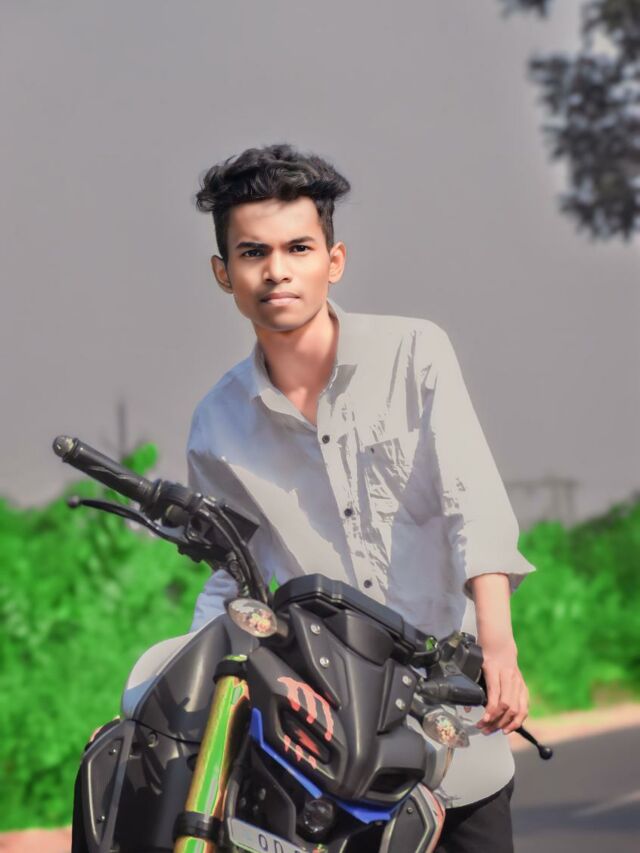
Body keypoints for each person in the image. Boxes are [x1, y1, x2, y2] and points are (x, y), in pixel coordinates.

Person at [187, 143, 535, 853]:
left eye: (298, 247)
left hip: (453, 723)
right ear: (224, 273)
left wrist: (498, 645)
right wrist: (185, 684)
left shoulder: (414, 354)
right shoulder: (216, 425)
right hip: (328, 747)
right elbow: (232, 576)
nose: (277, 270)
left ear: (333, 260)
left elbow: (472, 501)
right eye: (253, 252)